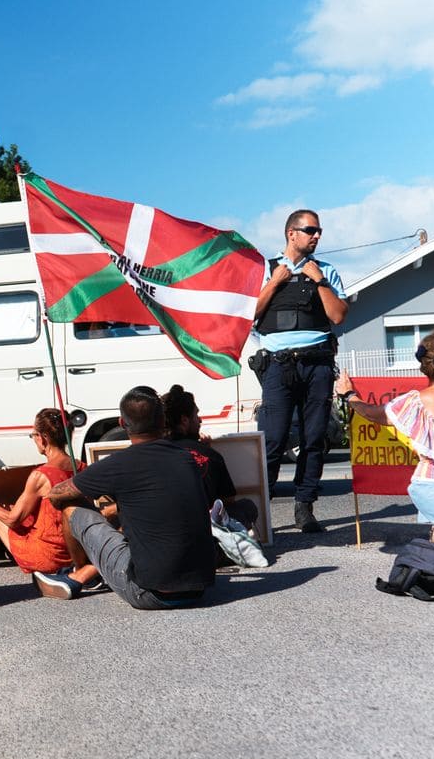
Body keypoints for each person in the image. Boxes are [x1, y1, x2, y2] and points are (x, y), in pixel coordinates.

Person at [48, 387, 214, 609]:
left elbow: (56, 494)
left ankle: (82, 573)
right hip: (199, 589)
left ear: (121, 423)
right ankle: (88, 572)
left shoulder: (118, 464)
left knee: (70, 506)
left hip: (149, 593)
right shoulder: (188, 459)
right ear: (163, 420)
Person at [253, 209, 348, 532]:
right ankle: (259, 513)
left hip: (317, 364)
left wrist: (319, 280)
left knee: (314, 438)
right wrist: (274, 282)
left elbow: (338, 316)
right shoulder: (266, 270)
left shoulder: (326, 271)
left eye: (319, 231)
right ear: (291, 233)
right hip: (278, 366)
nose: (317, 235)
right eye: (310, 230)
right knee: (273, 439)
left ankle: (305, 506)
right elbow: (250, 313)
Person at [336, 328, 434, 545]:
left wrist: (349, 395)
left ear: (425, 365)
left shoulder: (414, 402)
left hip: (430, 485)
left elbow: (372, 413)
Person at [0, 408, 90, 598]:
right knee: (3, 511)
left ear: (43, 438)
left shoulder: (41, 475)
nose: (34, 439)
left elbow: (12, 520)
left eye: (34, 435)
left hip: (47, 555)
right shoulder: (81, 468)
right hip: (74, 552)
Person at [162, 385, 258, 533]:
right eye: (196, 415)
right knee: (246, 506)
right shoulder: (210, 454)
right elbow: (228, 499)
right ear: (185, 420)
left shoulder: (151, 453)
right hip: (204, 532)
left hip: (163, 529)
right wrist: (206, 450)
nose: (200, 420)